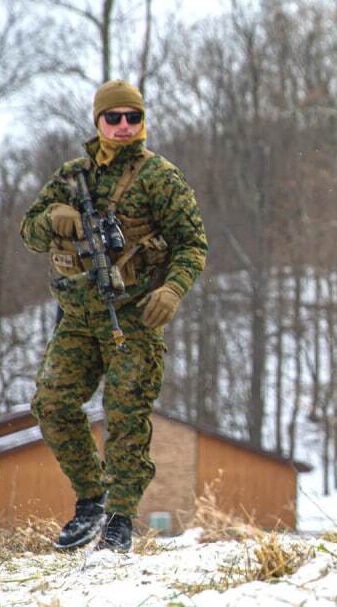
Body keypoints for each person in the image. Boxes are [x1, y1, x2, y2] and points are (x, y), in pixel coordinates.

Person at [19, 80, 207, 552]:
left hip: (135, 318)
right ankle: (91, 500)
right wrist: (55, 221)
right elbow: (29, 232)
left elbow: (192, 245)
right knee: (52, 404)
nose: (124, 126)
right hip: (79, 317)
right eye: (114, 118)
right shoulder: (70, 177)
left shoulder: (160, 178)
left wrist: (172, 290)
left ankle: (121, 517)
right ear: (98, 122)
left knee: (126, 415)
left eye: (133, 118)